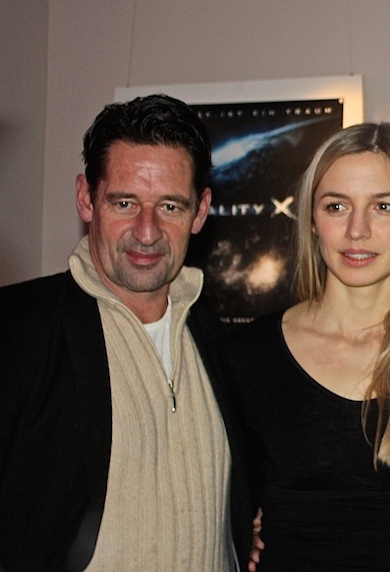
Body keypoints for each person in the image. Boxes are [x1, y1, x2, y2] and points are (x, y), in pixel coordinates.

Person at [0, 94, 255, 571]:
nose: (146, 231)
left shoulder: (224, 346)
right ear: (86, 198)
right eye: (124, 202)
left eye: (170, 207)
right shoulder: (17, 332)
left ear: (200, 211)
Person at [222, 122, 390, 571]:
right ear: (312, 221)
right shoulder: (246, 358)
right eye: (337, 206)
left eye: (384, 207)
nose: (358, 230)